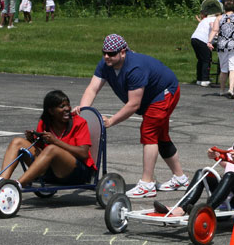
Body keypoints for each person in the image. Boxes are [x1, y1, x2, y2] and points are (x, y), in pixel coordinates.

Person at [77, 34, 188, 199]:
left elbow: (133, 104)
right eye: (104, 52)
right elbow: (92, 88)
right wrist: (84, 113)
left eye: (112, 53)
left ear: (123, 52)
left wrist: (112, 120)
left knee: (149, 131)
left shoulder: (135, 68)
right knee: (160, 135)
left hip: (164, 92)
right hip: (150, 96)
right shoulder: (105, 64)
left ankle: (147, 184)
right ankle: (180, 179)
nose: (107, 56)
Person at [152, 96, 234, 216]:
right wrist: (217, 156)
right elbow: (231, 162)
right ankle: (180, 208)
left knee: (230, 177)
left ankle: (205, 211)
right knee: (203, 173)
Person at [0, 90, 96, 189]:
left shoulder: (79, 123)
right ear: (51, 111)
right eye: (62, 106)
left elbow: (84, 153)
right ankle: (1, 182)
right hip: (50, 171)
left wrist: (55, 141)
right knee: (17, 142)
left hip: (76, 173)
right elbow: (42, 151)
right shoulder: (44, 123)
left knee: (52, 149)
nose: (67, 109)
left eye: (68, 105)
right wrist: (33, 140)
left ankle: (16, 186)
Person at [190, 1, 220, 87]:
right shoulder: (215, 19)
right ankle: (204, 79)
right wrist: (217, 34)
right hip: (202, 40)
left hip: (194, 38)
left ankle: (199, 79)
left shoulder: (206, 19)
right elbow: (212, 26)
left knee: (200, 60)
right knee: (206, 59)